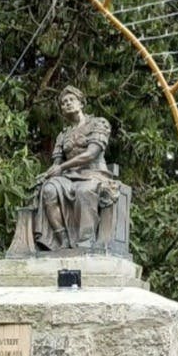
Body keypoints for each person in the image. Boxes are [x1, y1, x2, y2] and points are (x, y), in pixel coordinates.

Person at [32, 85, 123, 250]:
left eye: (71, 100)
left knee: (84, 191)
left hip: (94, 174)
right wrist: (46, 175)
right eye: (64, 102)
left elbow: (91, 154)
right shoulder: (63, 135)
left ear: (81, 103)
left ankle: (85, 242)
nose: (67, 104)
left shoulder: (98, 123)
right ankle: (63, 241)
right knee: (49, 189)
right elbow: (56, 164)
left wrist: (62, 168)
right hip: (68, 177)